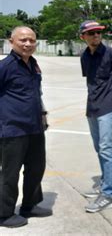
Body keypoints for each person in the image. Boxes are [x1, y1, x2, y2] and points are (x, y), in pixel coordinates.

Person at [0, 27, 52, 228]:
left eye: (32, 40)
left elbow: (35, 93)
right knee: (10, 173)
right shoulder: (5, 67)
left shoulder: (33, 65)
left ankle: (30, 205)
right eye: (23, 40)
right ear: (11, 41)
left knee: (36, 168)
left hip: (35, 127)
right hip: (12, 129)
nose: (28, 44)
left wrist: (43, 113)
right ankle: (4, 214)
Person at [79, 20, 112, 213]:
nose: (96, 36)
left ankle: (110, 194)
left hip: (108, 106)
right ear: (83, 36)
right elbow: (91, 81)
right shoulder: (84, 56)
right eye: (91, 33)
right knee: (99, 147)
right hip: (92, 107)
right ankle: (105, 181)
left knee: (106, 148)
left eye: (98, 32)